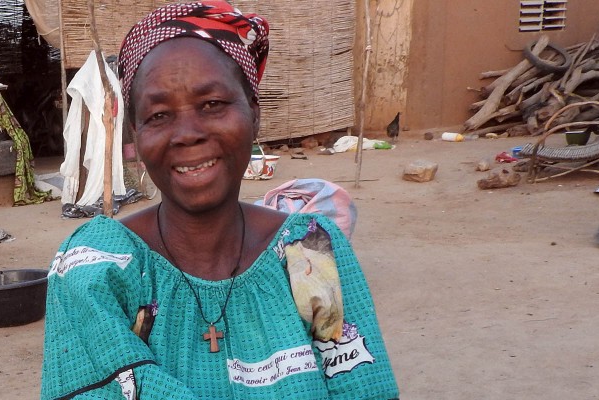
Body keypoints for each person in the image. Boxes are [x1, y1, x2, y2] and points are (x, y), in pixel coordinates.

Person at [40, 2, 399, 399]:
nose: (187, 133)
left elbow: (364, 388)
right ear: (136, 134)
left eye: (212, 105)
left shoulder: (312, 250)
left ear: (254, 114)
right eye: (158, 115)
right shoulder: (99, 267)